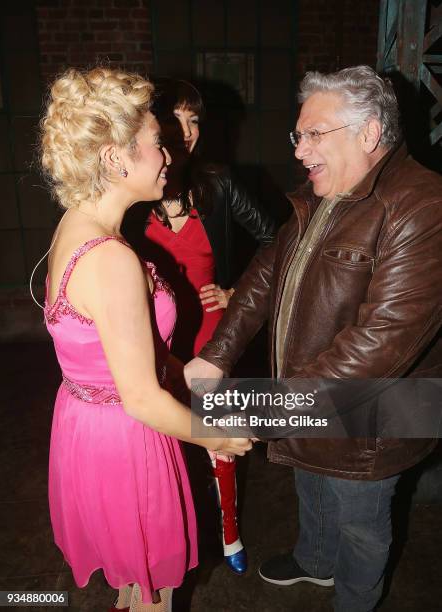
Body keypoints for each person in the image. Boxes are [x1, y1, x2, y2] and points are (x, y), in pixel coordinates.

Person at [184, 65, 442, 611]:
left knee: (360, 524)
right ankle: (315, 562)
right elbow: (264, 272)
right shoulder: (326, 190)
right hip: (309, 393)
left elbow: (381, 345)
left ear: (369, 133)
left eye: (313, 134)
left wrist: (267, 409)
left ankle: (351, 599)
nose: (300, 151)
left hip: (375, 414)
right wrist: (218, 353)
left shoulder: (423, 205)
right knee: (312, 483)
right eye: (297, 136)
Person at [38, 67, 251, 612]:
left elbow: (119, 351)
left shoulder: (75, 224)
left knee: (135, 581)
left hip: (87, 425)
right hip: (126, 438)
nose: (168, 154)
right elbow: (140, 397)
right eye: (158, 143)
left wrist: (182, 369)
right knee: (154, 589)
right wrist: (217, 438)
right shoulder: (111, 259)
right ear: (115, 158)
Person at [128, 78, 276, 575]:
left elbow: (276, 242)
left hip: (213, 332)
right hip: (156, 335)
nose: (186, 132)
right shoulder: (133, 194)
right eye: (175, 120)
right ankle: (179, 528)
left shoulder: (218, 182)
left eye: (194, 122)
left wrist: (236, 292)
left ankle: (230, 531)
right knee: (166, 438)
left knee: (221, 437)